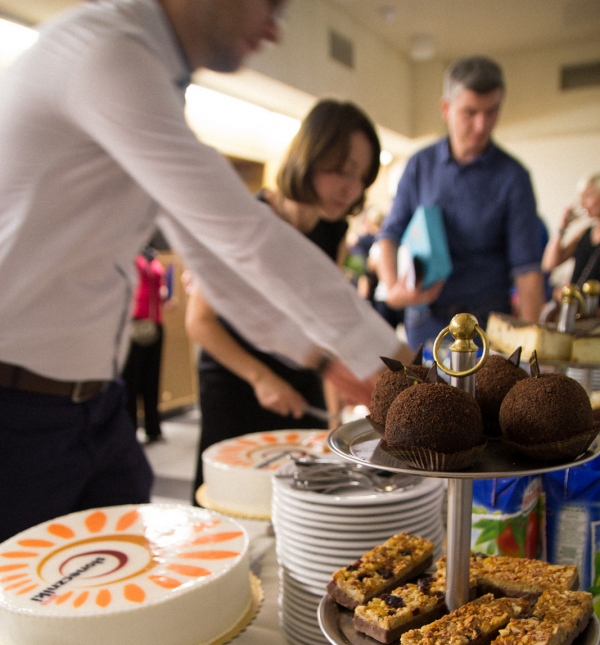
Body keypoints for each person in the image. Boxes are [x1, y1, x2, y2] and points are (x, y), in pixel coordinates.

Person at [0, 0, 408, 543]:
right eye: (269, 4)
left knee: (123, 584)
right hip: (16, 408)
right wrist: (396, 361)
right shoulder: (109, 53)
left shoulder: (151, 76)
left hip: (95, 404)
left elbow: (213, 263)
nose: (274, 29)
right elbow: (243, 233)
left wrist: (321, 356)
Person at [186, 99, 381, 495]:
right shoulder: (253, 220)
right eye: (343, 172)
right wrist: (261, 378)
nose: (351, 188)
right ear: (310, 157)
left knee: (305, 494)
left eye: (361, 176)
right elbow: (199, 322)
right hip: (237, 379)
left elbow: (324, 328)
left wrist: (333, 413)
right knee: (234, 496)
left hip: (301, 376)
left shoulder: (332, 231)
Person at [376, 55, 544, 349]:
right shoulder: (419, 165)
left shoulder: (513, 177)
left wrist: (532, 354)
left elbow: (527, 271)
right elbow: (388, 235)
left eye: (491, 112)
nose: (481, 125)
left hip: (485, 327)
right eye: (470, 112)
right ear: (446, 108)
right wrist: (393, 289)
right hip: (425, 322)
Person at [122, 245, 171, 444]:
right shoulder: (129, 254)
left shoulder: (152, 257)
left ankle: (153, 428)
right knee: (131, 383)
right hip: (135, 324)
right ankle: (130, 431)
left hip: (155, 323)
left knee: (152, 380)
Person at [542, 174, 600, 288]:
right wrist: (562, 228)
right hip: (576, 303)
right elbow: (549, 264)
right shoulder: (585, 233)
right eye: (581, 197)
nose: (582, 202)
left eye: (588, 196)